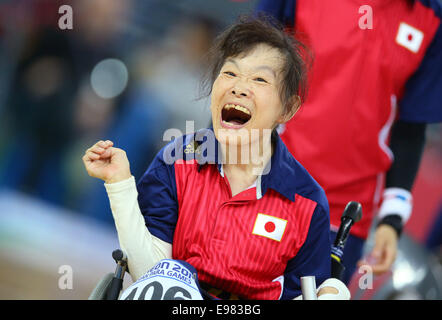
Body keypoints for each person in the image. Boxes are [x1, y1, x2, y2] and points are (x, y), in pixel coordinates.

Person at [82, 17, 345, 300]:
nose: (239, 87)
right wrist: (119, 183)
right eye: (230, 73)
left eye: (259, 79)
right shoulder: (176, 161)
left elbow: (307, 294)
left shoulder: (307, 202)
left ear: (288, 109)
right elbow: (149, 275)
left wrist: (333, 292)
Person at [256, 0, 442, 284]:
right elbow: (247, 70)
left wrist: (392, 219)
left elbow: (410, 127)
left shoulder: (431, 15)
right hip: (265, 183)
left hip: (346, 215)